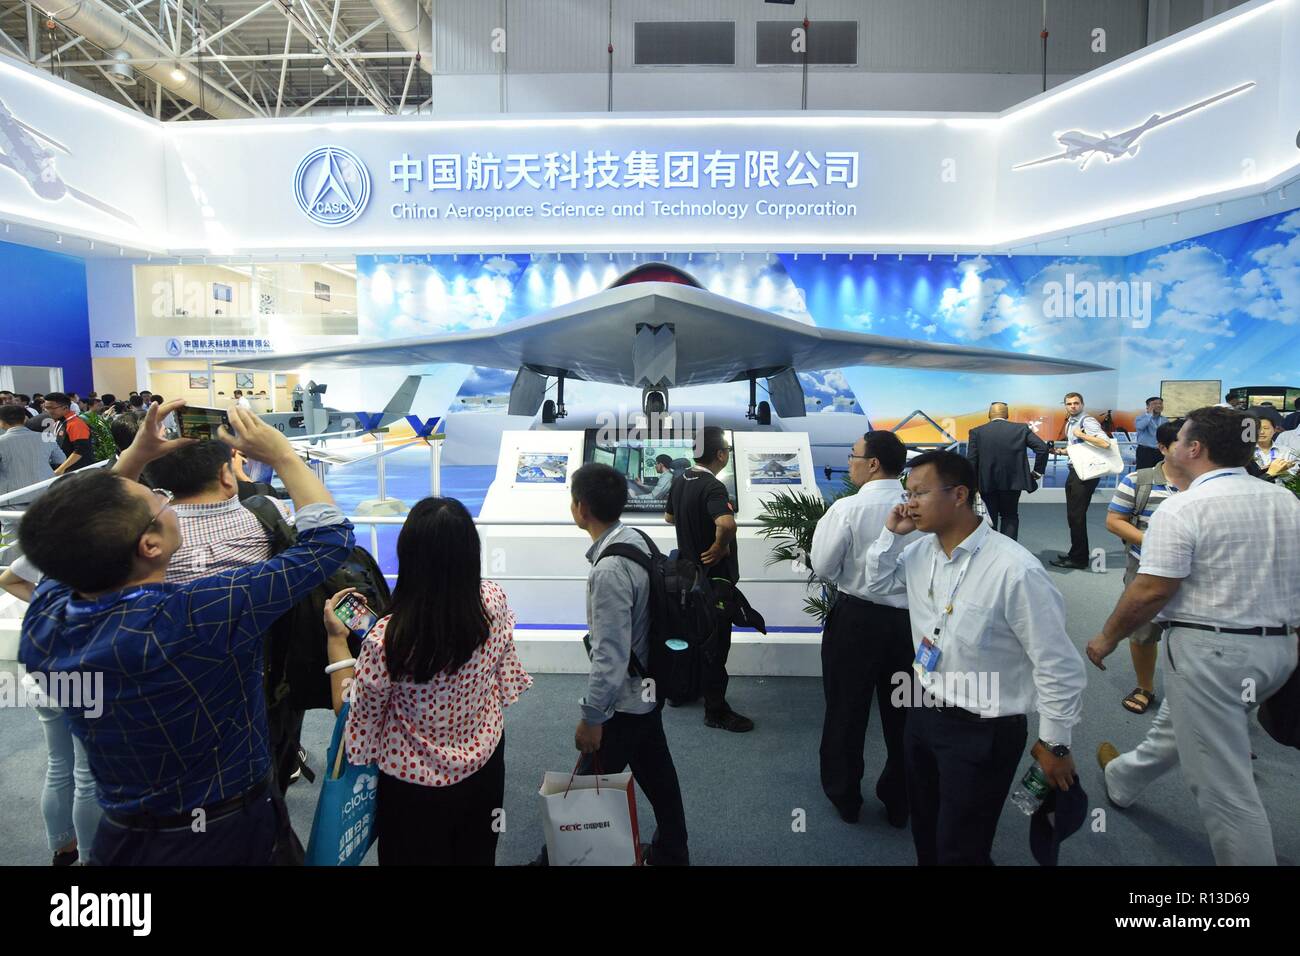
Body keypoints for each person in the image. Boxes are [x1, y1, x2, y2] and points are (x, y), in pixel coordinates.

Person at [17, 402, 355, 866]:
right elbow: (330, 541)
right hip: (229, 832)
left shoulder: (47, 619)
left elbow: (69, 534)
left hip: (125, 835)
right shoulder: (200, 613)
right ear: (149, 545)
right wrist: (284, 457)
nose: (162, 496)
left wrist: (135, 455)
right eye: (156, 498)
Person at [1089, 407, 1300, 866]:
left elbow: (1151, 590)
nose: (1173, 443)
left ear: (1195, 449)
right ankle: (1123, 777)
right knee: (1186, 726)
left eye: (1180, 437)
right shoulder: (1285, 501)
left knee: (1226, 791)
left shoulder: (1183, 507)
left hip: (1212, 655)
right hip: (1279, 652)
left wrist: (1106, 638)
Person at [865, 450, 1086, 866]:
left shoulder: (1014, 569)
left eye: (919, 493)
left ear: (959, 495)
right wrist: (890, 535)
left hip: (983, 729)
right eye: (907, 493)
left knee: (962, 845)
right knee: (926, 829)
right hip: (922, 708)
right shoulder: (918, 554)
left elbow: (1057, 664)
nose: (909, 503)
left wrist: (1056, 742)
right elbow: (875, 582)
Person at [326, 497, 532, 865]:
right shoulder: (494, 601)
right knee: (476, 855)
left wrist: (336, 640)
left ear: (408, 556)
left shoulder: (387, 639)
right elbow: (503, 674)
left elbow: (351, 710)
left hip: (413, 787)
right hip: (484, 765)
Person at [140, 439, 307, 794]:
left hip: (170, 675)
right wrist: (281, 459)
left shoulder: (145, 537)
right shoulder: (265, 514)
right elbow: (326, 539)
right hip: (263, 664)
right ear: (225, 475)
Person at [567, 462, 689, 864]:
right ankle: (674, 850)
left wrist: (592, 716)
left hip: (622, 700)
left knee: (586, 787)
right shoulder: (636, 538)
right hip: (649, 687)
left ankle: (557, 857)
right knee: (659, 774)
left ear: (581, 507)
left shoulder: (608, 570)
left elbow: (610, 653)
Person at [811, 430, 919, 827]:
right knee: (906, 714)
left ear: (873, 463)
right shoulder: (921, 507)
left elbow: (822, 567)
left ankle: (845, 797)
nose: (850, 461)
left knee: (845, 709)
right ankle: (900, 800)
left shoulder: (846, 510)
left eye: (853, 455)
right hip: (911, 625)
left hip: (855, 621)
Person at [0, 563, 102, 865]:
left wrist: (48, 607)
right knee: (88, 775)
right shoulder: (112, 541)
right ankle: (90, 857)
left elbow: (8, 578)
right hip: (84, 671)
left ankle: (63, 846)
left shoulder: (47, 539)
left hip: (43, 669)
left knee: (58, 763)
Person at [665, 426, 752, 732]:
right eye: (726, 450)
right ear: (720, 454)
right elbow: (726, 523)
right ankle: (715, 710)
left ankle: (683, 691)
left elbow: (669, 518)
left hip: (687, 578)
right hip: (714, 581)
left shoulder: (680, 480)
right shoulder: (713, 487)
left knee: (693, 636)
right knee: (716, 644)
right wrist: (719, 546)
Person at [1104, 419, 1182, 716]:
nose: (1193, 450)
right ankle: (1145, 686)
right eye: (1183, 443)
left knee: (1191, 635)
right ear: (1163, 448)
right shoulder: (1139, 480)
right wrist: (1152, 541)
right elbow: (1114, 520)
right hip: (1146, 568)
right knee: (1142, 631)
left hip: (1196, 573)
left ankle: (1189, 694)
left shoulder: (1205, 483)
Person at [965, 402, 1049, 541]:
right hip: (1013, 483)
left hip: (986, 483)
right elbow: (1043, 448)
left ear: (989, 415)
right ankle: (1009, 552)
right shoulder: (1021, 429)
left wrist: (971, 486)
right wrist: (1037, 472)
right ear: (1007, 415)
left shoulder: (977, 432)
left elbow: (971, 461)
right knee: (1010, 516)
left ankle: (989, 552)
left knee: (989, 518)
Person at [1051, 392, 1112, 570]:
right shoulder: (1072, 422)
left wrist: (1082, 434)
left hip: (1084, 474)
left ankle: (1079, 559)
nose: (1073, 406)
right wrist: (1061, 452)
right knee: (1073, 515)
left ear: (1082, 404)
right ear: (1065, 406)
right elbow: (1078, 448)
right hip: (1075, 470)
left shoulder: (1087, 421)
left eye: (1076, 403)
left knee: (1076, 516)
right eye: (1069, 404)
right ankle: (1076, 553)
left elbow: (1105, 442)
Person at [0, 404, 65, 562]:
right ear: (25, 418)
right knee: (46, 535)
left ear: (2, 422)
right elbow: (61, 459)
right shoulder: (44, 438)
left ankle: (9, 579)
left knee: (11, 540)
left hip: (12, 497)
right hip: (45, 494)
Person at [38, 393, 96, 476]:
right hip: (67, 471)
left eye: (51, 408)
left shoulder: (76, 424)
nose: (47, 411)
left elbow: (81, 449)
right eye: (45, 407)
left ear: (65, 407)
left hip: (78, 473)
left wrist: (60, 469)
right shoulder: (58, 421)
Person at [1133, 397, 1167, 469]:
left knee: (1159, 473)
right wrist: (1150, 415)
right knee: (1143, 474)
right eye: (1155, 404)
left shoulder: (1164, 420)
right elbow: (1140, 427)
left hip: (1160, 451)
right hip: (1145, 451)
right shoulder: (1140, 418)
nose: (1158, 405)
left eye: (1160, 403)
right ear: (1148, 406)